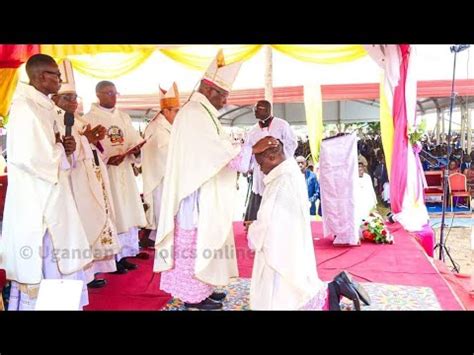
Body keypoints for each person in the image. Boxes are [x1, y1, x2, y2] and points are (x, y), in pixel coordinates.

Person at [154, 50, 251, 310]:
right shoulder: (195, 113)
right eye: (222, 94)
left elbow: (214, 147)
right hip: (193, 194)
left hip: (200, 188)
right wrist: (243, 151)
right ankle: (191, 296)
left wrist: (234, 148)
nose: (225, 100)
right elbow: (213, 152)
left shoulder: (201, 111)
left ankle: (202, 290)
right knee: (193, 245)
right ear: (208, 88)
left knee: (200, 244)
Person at [0, 54, 92, 310]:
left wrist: (67, 147)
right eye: (56, 75)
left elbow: (53, 150)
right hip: (37, 199)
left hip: (54, 192)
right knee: (46, 259)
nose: (60, 81)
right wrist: (61, 151)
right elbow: (31, 157)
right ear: (41, 77)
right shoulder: (24, 107)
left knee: (57, 258)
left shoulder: (44, 106)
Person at [248, 136, 370, 310]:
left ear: (272, 157)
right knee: (296, 288)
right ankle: (336, 288)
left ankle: (336, 287)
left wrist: (253, 230)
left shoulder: (281, 181)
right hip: (291, 239)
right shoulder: (290, 174)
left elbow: (268, 223)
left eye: (261, 164)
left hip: (280, 248)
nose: (261, 169)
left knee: (287, 294)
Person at [51, 59, 120, 288]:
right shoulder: (54, 119)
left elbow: (87, 147)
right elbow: (62, 151)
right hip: (73, 183)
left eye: (74, 97)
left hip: (89, 176)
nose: (72, 102)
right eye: (66, 98)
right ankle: (83, 276)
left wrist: (93, 140)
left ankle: (89, 274)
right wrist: (85, 140)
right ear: (54, 99)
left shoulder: (78, 120)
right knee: (81, 225)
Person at [83, 81, 147, 273]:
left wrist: (134, 150)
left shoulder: (124, 117)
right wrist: (106, 159)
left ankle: (125, 254)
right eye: (109, 93)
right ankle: (113, 259)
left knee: (126, 211)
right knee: (114, 212)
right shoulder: (88, 119)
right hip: (106, 173)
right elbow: (88, 149)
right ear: (98, 94)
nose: (113, 96)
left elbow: (134, 139)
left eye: (115, 93)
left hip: (125, 170)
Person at [243, 100, 297, 229]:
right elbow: (248, 149)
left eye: (259, 108)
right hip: (260, 172)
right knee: (261, 196)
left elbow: (292, 143)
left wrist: (278, 153)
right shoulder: (252, 131)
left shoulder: (282, 125)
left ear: (268, 110)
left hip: (278, 170)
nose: (255, 111)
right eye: (254, 109)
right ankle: (260, 227)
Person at [141, 83, 180, 246]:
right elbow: (165, 152)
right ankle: (162, 241)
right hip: (160, 177)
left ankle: (160, 238)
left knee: (166, 209)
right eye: (176, 111)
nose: (178, 115)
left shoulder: (167, 125)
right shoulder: (158, 127)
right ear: (166, 111)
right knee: (162, 208)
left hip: (167, 175)